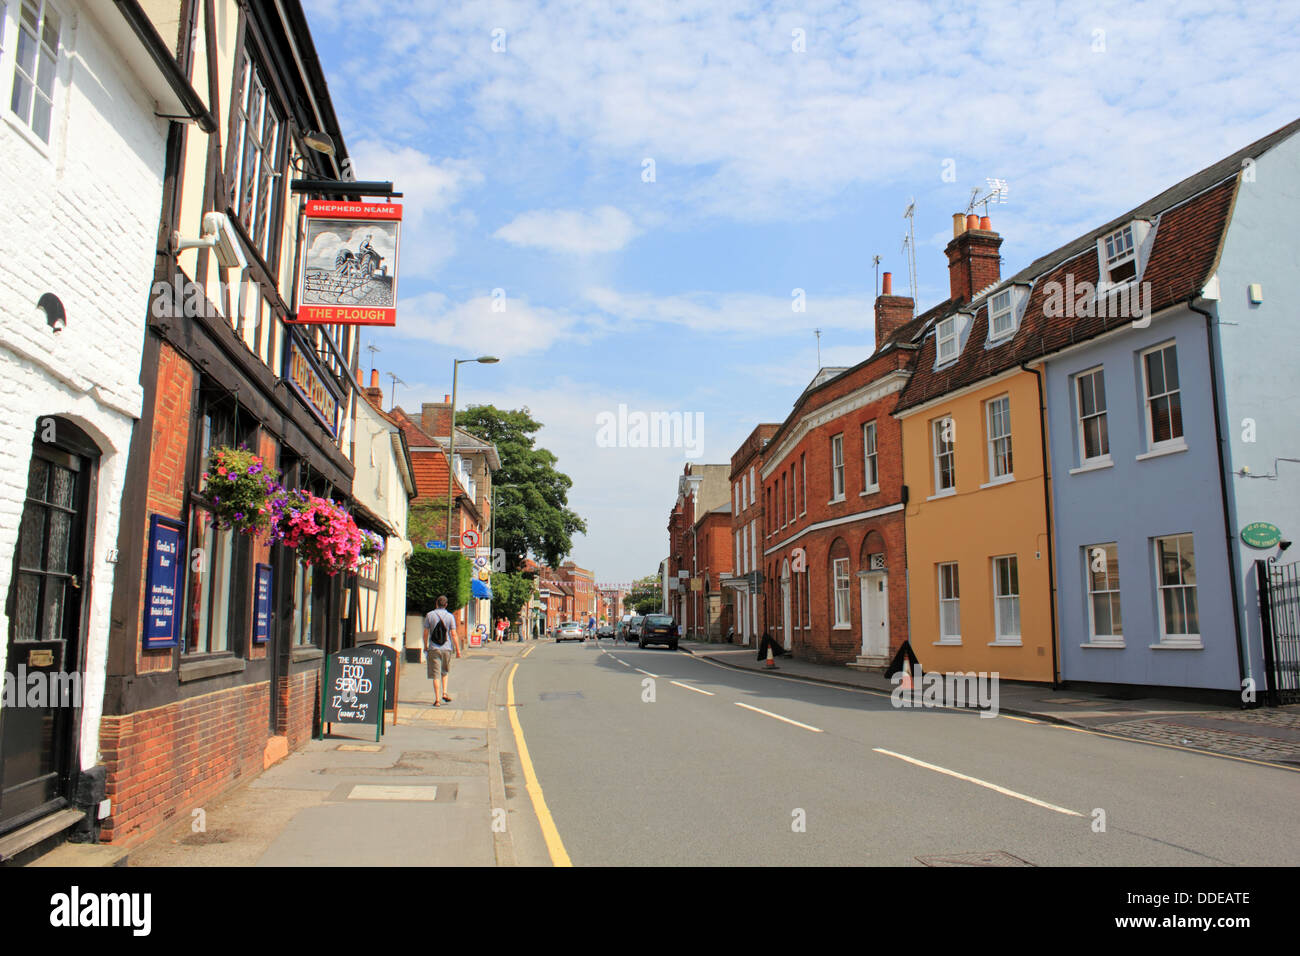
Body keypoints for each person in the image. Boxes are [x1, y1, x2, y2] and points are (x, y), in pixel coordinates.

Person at [423, 595, 461, 706]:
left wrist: (425, 646)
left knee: (435, 674)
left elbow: (425, 633)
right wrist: (458, 650)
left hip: (433, 648)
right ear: (446, 605)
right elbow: (453, 634)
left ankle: (437, 699)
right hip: (447, 648)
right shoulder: (450, 617)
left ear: (436, 604)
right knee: (444, 671)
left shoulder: (429, 615)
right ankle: (444, 693)